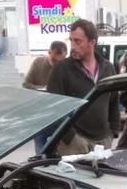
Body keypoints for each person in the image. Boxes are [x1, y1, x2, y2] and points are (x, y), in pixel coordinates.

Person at [46, 19, 118, 155]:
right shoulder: (61, 69)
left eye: (78, 41)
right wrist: (71, 138)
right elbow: (54, 110)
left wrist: (113, 132)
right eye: (71, 40)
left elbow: (114, 102)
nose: (72, 46)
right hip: (73, 144)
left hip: (103, 143)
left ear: (92, 43)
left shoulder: (108, 68)